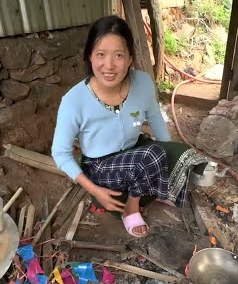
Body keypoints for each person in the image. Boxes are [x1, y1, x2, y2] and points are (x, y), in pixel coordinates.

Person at [51, 15, 208, 238]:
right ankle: (130, 208)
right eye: (101, 55)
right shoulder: (74, 101)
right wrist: (94, 189)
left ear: (130, 57)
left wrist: (169, 157)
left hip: (135, 151)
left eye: (118, 55)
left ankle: (157, 186)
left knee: (182, 153)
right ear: (89, 56)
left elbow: (154, 117)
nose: (109, 65)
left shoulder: (142, 82)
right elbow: (60, 154)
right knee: (151, 156)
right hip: (100, 166)